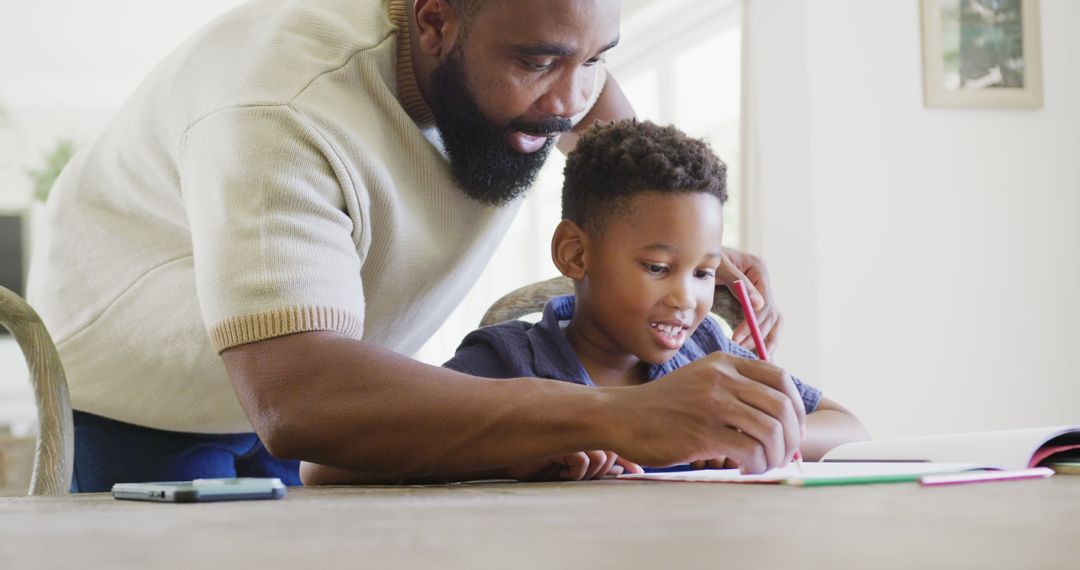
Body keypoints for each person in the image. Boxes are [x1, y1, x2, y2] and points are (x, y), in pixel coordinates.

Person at [29, 0, 795, 491]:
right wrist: (620, 416)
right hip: (144, 399)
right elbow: (301, 400)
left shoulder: (544, 47)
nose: (568, 101)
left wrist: (685, 248)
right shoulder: (277, 104)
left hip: (328, 386)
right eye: (535, 62)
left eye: (593, 59)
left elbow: (610, 138)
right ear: (433, 22)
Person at [329, 119, 865, 481]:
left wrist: (742, 434)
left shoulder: (706, 353)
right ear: (575, 255)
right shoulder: (511, 361)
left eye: (704, 272)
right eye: (657, 268)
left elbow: (849, 429)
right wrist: (514, 451)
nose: (686, 297)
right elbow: (333, 465)